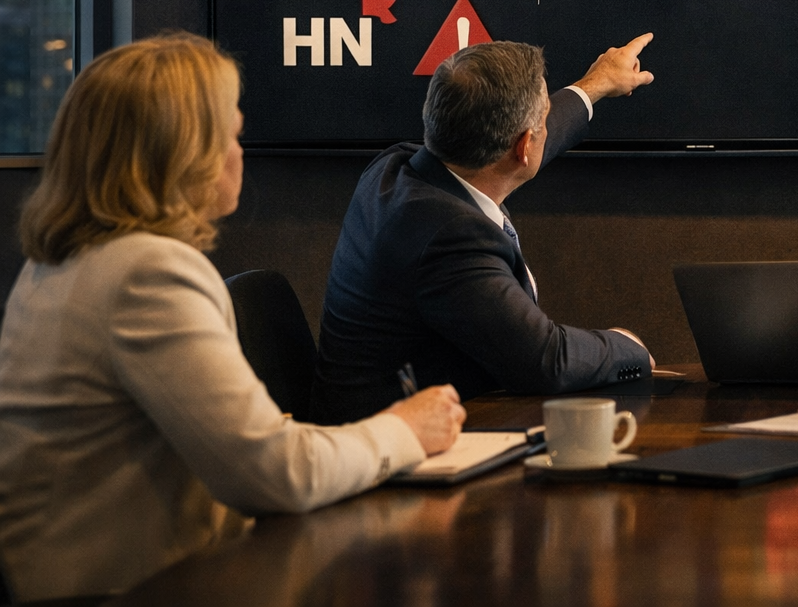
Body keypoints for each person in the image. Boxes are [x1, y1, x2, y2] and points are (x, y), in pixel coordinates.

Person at [0, 34, 465, 602]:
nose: (240, 152)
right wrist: (405, 429)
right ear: (185, 153)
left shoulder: (59, 263)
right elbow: (274, 473)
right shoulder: (146, 273)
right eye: (233, 134)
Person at [310, 35, 656, 424]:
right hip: (391, 456)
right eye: (542, 117)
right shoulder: (448, 235)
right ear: (523, 147)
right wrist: (628, 348)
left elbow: (531, 136)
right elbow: (545, 360)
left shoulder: (398, 167)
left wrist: (596, 85)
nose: (547, 123)